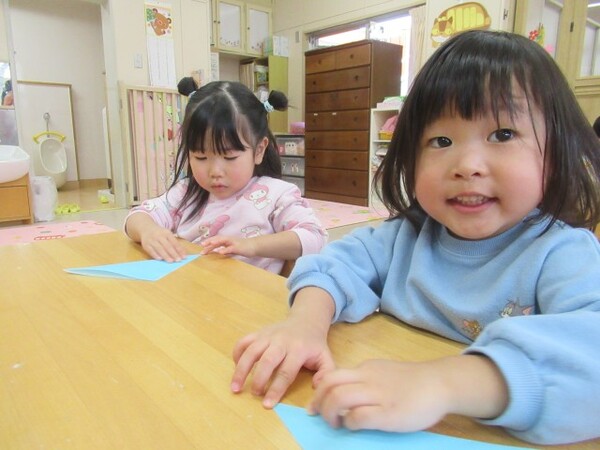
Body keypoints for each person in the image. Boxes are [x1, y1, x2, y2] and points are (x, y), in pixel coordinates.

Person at [230, 30, 600, 445]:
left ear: (558, 149)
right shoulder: (405, 237)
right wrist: (305, 324)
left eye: (503, 134)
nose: (467, 165)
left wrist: (443, 384)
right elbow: (333, 265)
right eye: (441, 141)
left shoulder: (563, 253)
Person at [125, 81, 327, 273]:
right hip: (193, 288)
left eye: (229, 157)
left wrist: (251, 246)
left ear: (258, 150)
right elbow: (137, 216)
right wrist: (148, 231)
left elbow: (315, 236)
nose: (215, 171)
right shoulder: (187, 192)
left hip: (247, 293)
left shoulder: (275, 195)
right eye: (201, 157)